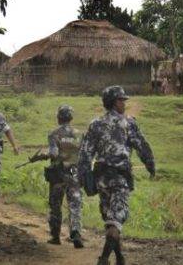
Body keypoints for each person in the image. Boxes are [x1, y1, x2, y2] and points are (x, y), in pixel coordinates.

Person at [78, 86, 155, 265]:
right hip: (120, 178)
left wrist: (84, 176)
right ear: (113, 102)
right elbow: (142, 147)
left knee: (110, 219)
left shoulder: (95, 124)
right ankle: (104, 259)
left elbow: (85, 154)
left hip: (101, 179)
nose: (124, 104)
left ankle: (120, 258)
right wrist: (150, 165)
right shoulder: (128, 123)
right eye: (121, 100)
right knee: (116, 219)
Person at [33, 105, 84, 248]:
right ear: (71, 118)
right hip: (74, 171)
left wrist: (43, 156)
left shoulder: (54, 134)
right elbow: (84, 155)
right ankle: (76, 233)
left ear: (59, 118)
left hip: (59, 173)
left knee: (56, 204)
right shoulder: (79, 134)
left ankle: (55, 236)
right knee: (75, 203)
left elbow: (54, 153)